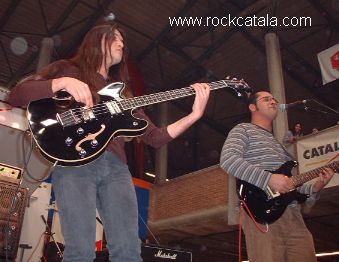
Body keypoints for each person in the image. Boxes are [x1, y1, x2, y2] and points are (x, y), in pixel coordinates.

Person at [8, 23, 211, 262]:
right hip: (75, 163)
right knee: (80, 251)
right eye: (116, 38)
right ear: (98, 40)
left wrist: (193, 115)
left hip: (116, 169)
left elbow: (155, 138)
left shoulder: (123, 95)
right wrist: (61, 83)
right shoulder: (67, 69)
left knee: (128, 251)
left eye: (123, 41)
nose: (122, 44)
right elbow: (17, 94)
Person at [220, 91, 335, 262]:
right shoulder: (243, 129)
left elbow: (291, 185)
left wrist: (315, 188)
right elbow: (228, 160)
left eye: (274, 98)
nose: (273, 101)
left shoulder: (281, 149)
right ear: (253, 107)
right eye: (266, 99)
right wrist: (269, 179)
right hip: (261, 214)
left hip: (294, 217)